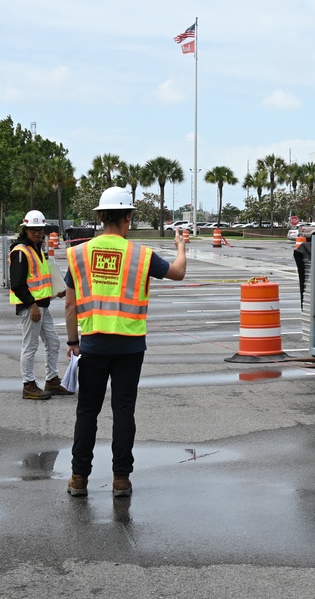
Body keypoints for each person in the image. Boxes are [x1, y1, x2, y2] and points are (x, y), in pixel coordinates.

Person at [64, 187, 186, 498]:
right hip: (130, 346)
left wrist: (73, 341)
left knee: (87, 411)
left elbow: (69, 304)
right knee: (123, 410)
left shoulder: (78, 254)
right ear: (128, 219)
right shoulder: (142, 255)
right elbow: (178, 273)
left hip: (92, 344)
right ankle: (121, 479)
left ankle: (79, 478)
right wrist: (180, 246)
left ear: (101, 216)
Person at [9, 210, 69, 400]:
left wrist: (55, 292)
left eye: (39, 229)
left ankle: (51, 381)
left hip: (42, 306)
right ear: (25, 230)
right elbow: (17, 284)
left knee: (53, 342)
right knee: (30, 346)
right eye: (32, 230)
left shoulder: (37, 249)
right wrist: (32, 305)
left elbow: (39, 282)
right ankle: (28, 385)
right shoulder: (21, 251)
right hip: (31, 308)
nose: (36, 233)